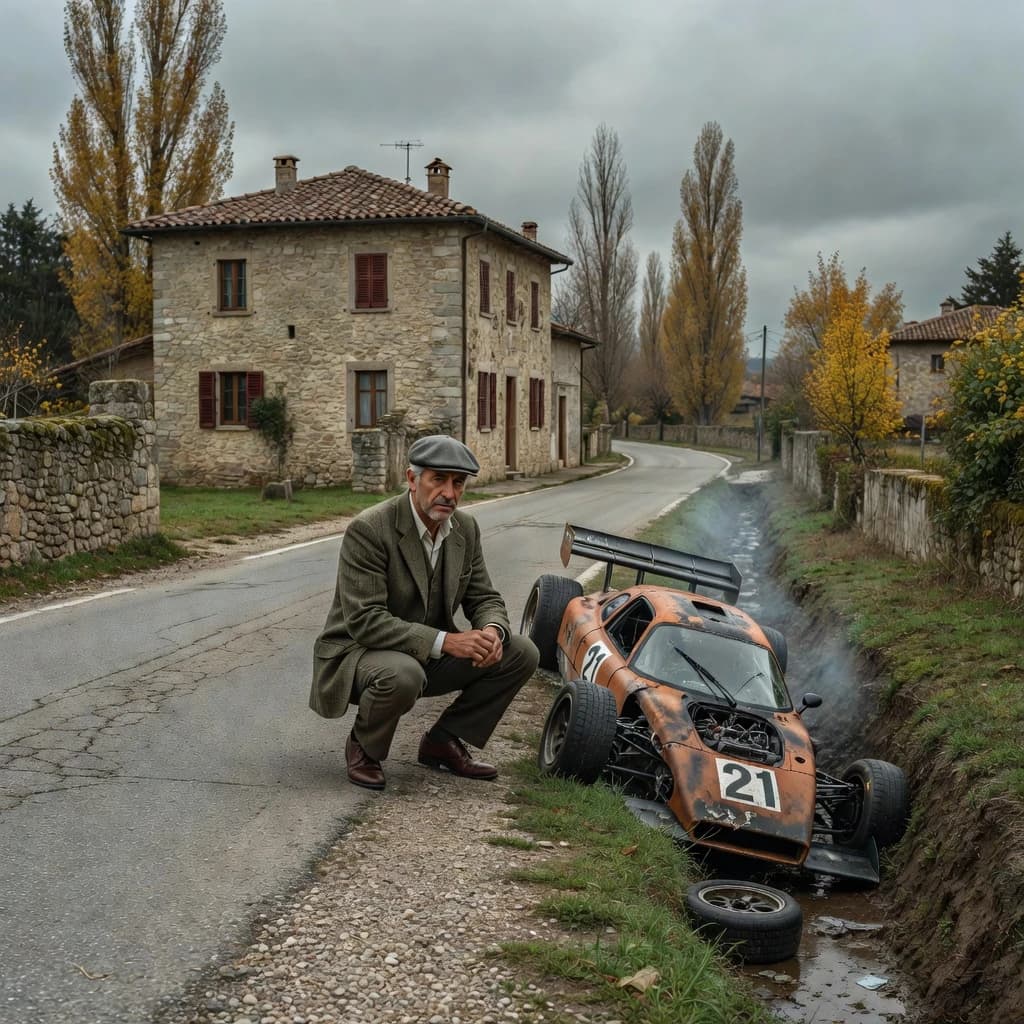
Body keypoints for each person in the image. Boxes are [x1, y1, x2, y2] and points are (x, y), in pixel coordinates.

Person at [309, 434, 539, 790]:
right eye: (438, 479)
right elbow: (365, 622)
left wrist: (492, 630)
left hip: (426, 652)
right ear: (412, 479)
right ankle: (365, 747)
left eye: (458, 483)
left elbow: (484, 597)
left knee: (521, 652)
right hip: (357, 654)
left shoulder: (465, 528)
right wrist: (448, 642)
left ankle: (442, 741)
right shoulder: (370, 529)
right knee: (403, 675)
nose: (449, 492)